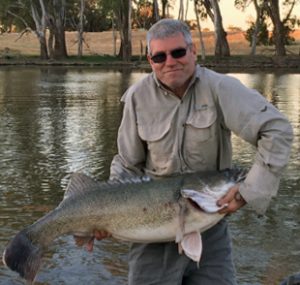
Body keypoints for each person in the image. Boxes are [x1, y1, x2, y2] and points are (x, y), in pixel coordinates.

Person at [77, 19, 293, 284]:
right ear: (150, 60)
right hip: (149, 236)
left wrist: (249, 192)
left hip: (209, 229)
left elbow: (277, 130)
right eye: (160, 56)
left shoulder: (220, 88)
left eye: (178, 52)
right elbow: (127, 163)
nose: (170, 61)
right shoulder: (136, 97)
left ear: (193, 52)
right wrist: (107, 215)